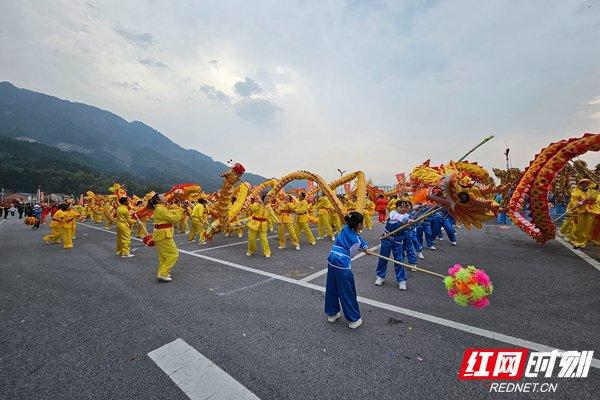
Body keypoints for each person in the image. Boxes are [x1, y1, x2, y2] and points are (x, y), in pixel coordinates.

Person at [324, 212, 369, 329]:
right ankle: (354, 319)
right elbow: (352, 253)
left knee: (332, 287)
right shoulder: (355, 241)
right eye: (362, 223)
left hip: (332, 259)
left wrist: (364, 246)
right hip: (342, 264)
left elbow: (358, 238)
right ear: (359, 225)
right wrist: (362, 248)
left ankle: (332, 314)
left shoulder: (345, 228)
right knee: (347, 291)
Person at [375, 200, 415, 290]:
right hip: (386, 238)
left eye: (405, 207)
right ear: (396, 208)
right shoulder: (393, 214)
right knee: (383, 258)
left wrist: (409, 224)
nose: (403, 209)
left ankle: (401, 280)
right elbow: (397, 219)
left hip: (397, 241)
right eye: (401, 207)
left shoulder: (408, 216)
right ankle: (380, 276)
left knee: (399, 260)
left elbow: (407, 230)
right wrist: (407, 220)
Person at [148, 194, 182, 282]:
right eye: (162, 197)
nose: (164, 197)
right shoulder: (161, 209)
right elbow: (174, 218)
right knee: (173, 254)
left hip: (161, 235)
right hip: (164, 235)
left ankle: (161, 273)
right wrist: (181, 211)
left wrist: (178, 209)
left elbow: (170, 215)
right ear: (158, 201)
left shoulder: (160, 208)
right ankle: (163, 273)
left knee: (163, 256)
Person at [565, 179, 600, 249]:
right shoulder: (575, 192)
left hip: (591, 211)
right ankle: (576, 240)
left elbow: (596, 197)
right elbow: (573, 202)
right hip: (580, 211)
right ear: (580, 184)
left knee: (587, 227)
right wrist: (578, 203)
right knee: (578, 227)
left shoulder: (592, 191)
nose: (585, 184)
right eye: (583, 183)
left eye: (587, 183)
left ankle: (582, 242)